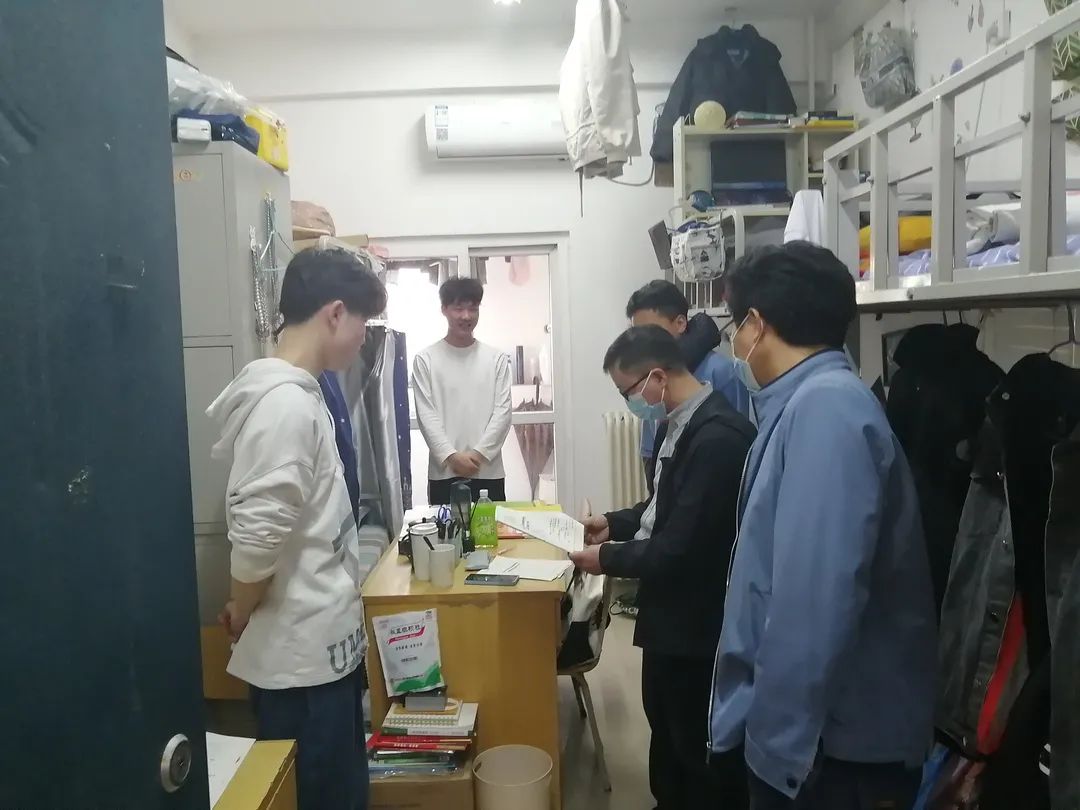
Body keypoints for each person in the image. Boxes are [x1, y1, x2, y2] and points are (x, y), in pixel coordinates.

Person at [707, 242, 937, 810]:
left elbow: (811, 605)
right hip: (818, 744)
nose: (736, 344)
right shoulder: (806, 404)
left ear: (757, 324)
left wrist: (774, 752)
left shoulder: (827, 411)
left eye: (736, 328)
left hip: (828, 755)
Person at [207, 247, 387, 810]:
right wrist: (241, 608)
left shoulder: (305, 394)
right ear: (335, 314)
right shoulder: (285, 406)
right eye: (362, 323)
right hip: (301, 673)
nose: (363, 338)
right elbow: (257, 538)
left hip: (320, 656)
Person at [570, 325, 755, 810]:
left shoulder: (719, 439)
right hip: (669, 615)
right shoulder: (681, 422)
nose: (630, 403)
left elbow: (679, 548)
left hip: (698, 624)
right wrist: (612, 523)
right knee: (665, 725)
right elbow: (662, 509)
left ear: (657, 376)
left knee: (692, 741)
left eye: (627, 392)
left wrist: (604, 559)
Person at [626, 280, 752, 474]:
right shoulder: (650, 377)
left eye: (651, 331)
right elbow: (650, 450)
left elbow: (740, 447)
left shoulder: (722, 372)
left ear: (680, 323)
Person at [413, 277, 512, 505]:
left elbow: (503, 413)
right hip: (444, 471)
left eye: (473, 308)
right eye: (458, 308)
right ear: (444, 309)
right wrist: (451, 456)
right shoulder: (426, 359)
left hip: (487, 471)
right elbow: (426, 415)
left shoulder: (496, 359)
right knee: (445, 529)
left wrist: (478, 455)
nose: (466, 316)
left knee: (491, 528)